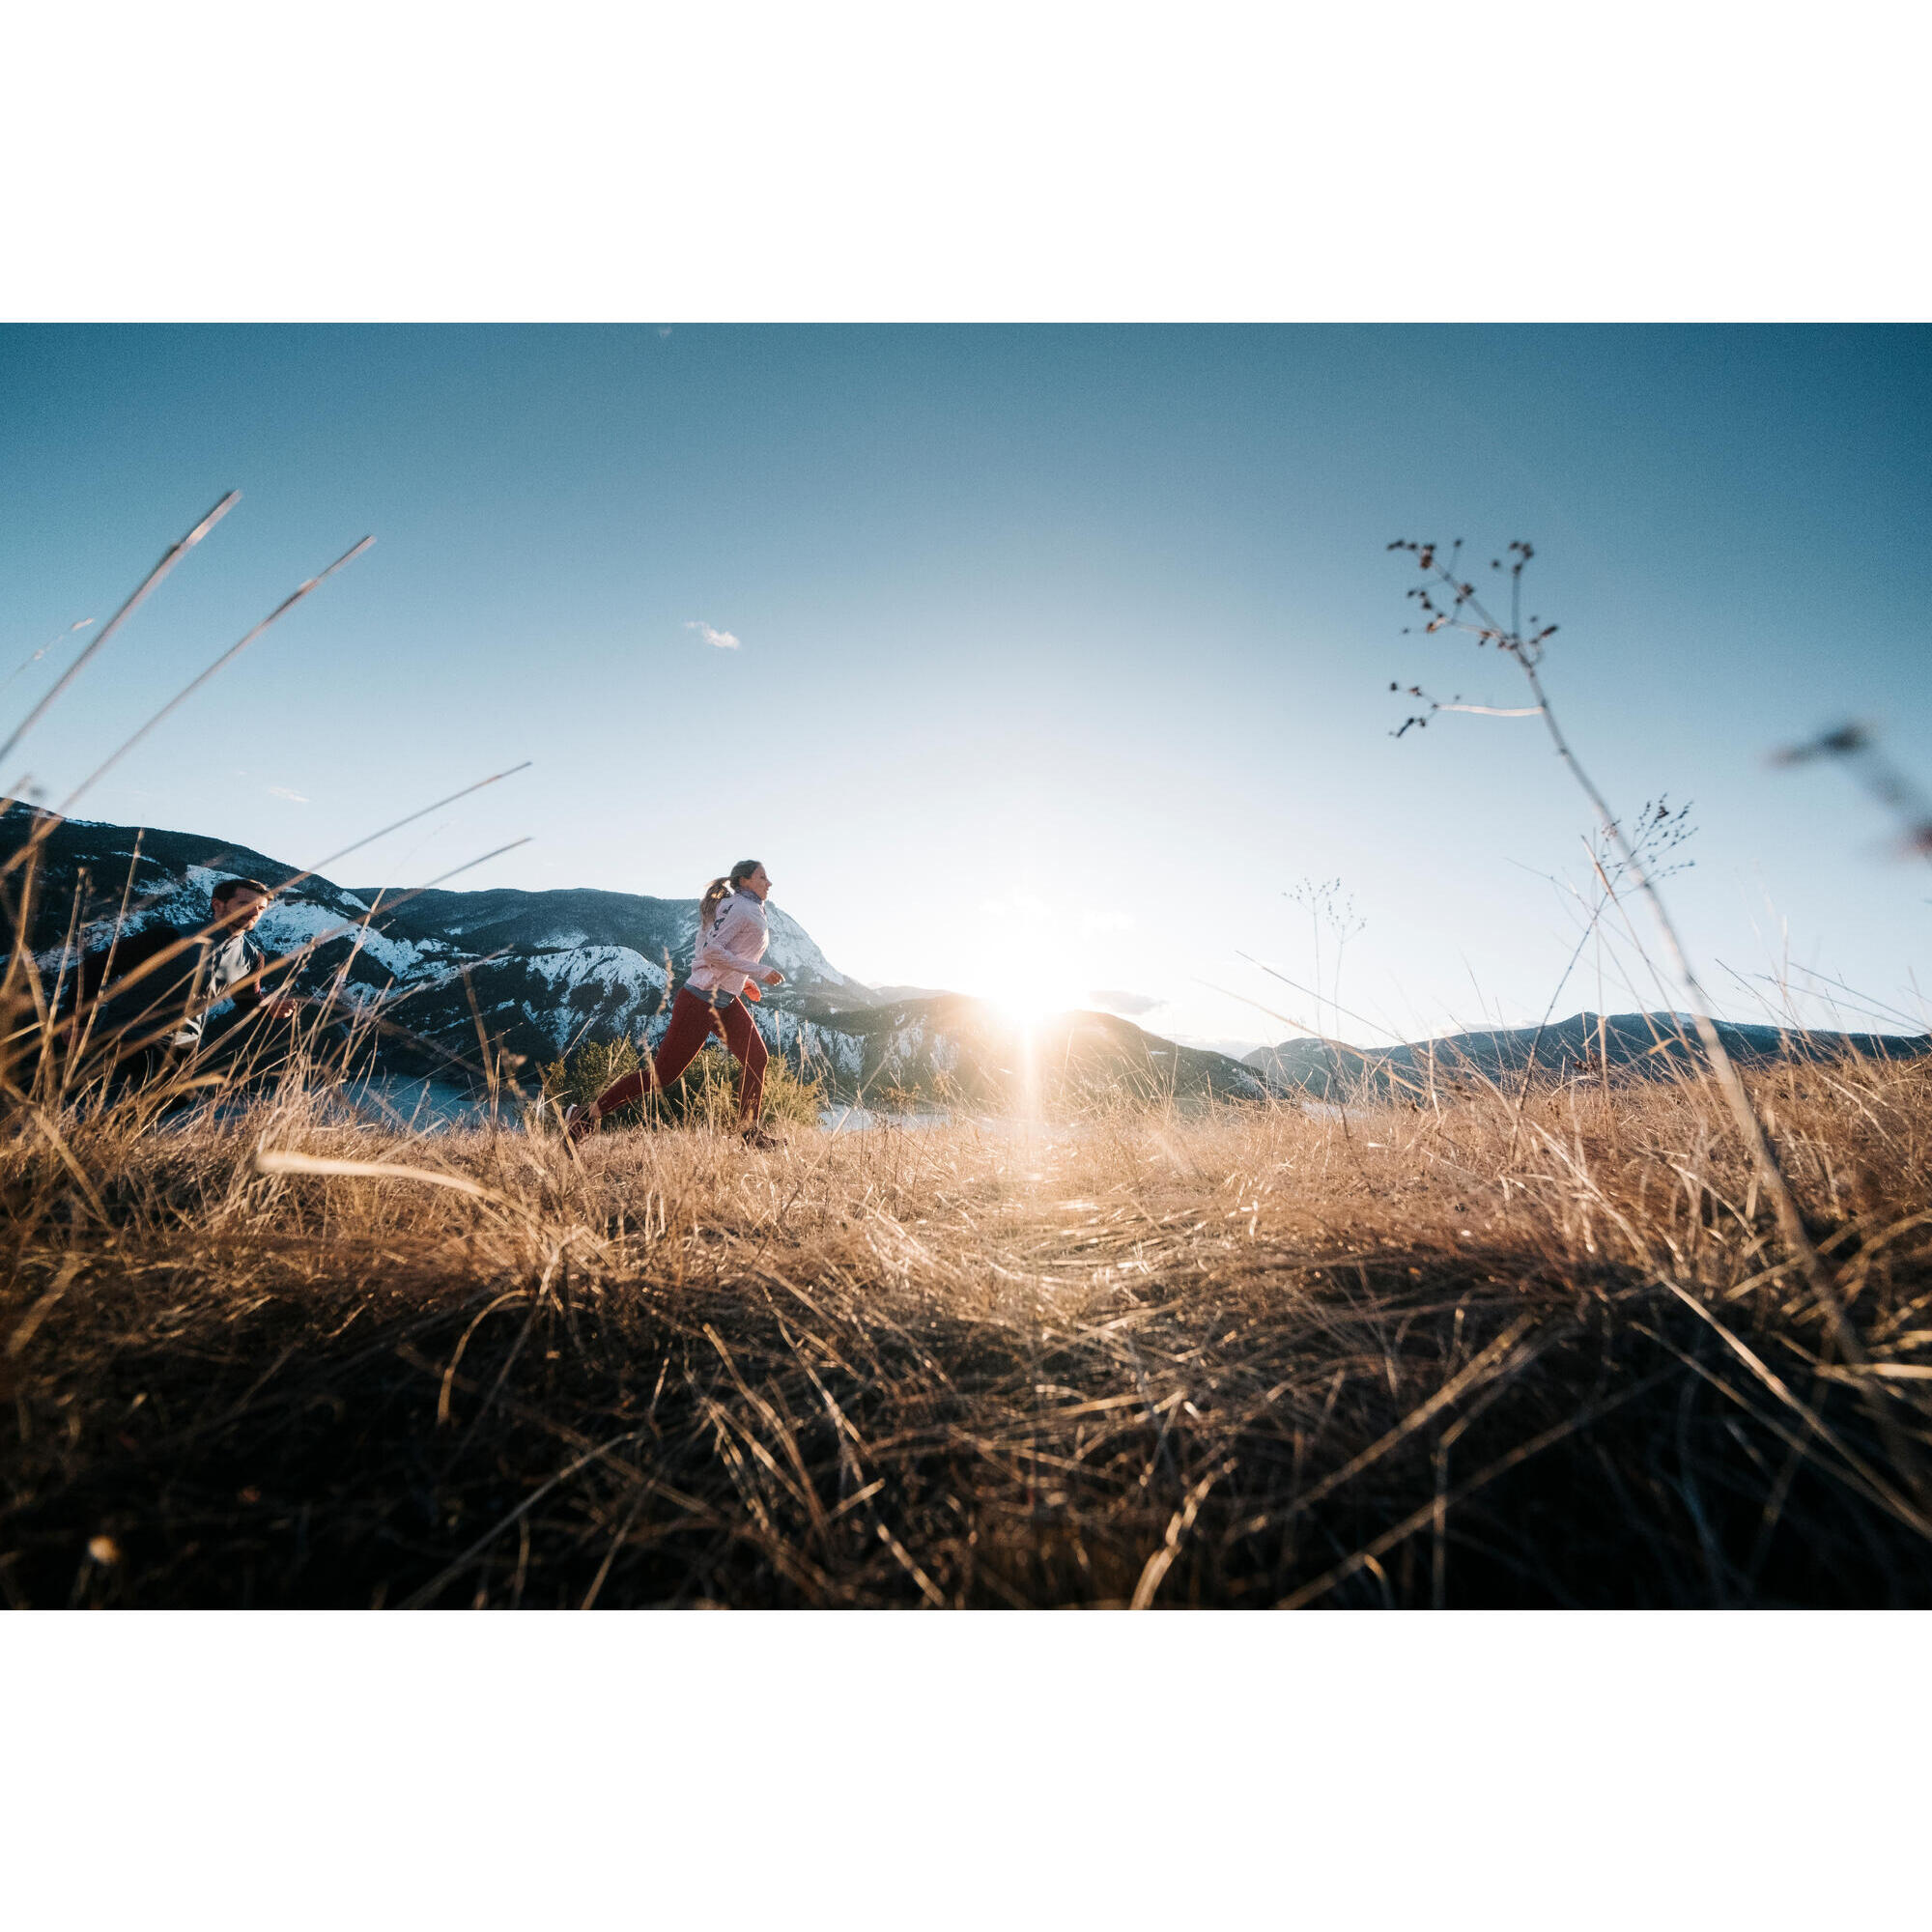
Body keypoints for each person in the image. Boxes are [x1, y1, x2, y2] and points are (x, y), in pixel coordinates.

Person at [568, 859, 785, 1147]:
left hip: (725, 999)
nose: (768, 882)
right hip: (699, 1001)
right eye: (762, 877)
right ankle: (584, 1116)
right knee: (663, 1076)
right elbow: (711, 952)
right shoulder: (740, 908)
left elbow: (717, 952)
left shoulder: (738, 907)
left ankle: (749, 1133)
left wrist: (743, 980)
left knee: (757, 1058)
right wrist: (759, 971)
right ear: (744, 881)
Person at [69, 875, 314, 1094]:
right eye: (245, 904)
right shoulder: (170, 937)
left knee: (172, 1100)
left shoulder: (252, 958)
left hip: (185, 1044)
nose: (254, 913)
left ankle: (102, 1138)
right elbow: (92, 968)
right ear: (218, 905)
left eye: (260, 909)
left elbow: (247, 1001)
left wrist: (269, 1007)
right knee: (158, 1093)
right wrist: (77, 1022)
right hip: (131, 1033)